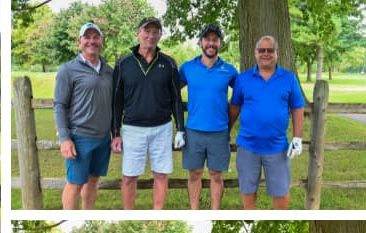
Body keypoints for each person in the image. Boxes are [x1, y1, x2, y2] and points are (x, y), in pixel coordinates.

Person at [110, 16, 185, 210]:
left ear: (160, 35)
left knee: (160, 174)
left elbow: (176, 98)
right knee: (129, 176)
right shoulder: (123, 63)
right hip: (133, 128)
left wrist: (180, 129)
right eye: (146, 31)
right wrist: (115, 134)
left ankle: (157, 212)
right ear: (138, 33)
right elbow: (116, 101)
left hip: (162, 128)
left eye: (155, 32)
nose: (150, 36)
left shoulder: (168, 63)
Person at [230, 35, 306, 210]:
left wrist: (297, 138)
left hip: (278, 147)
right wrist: (226, 132)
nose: (266, 53)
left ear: (277, 53)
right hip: (248, 146)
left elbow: (297, 108)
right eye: (261, 50)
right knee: (248, 189)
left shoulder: (289, 78)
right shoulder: (243, 79)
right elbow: (234, 107)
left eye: (270, 50)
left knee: (280, 191)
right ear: (255, 53)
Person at [53, 22, 114, 210]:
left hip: (103, 138)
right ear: (80, 41)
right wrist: (65, 139)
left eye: (96, 37)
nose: (91, 41)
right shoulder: (68, 70)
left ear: (101, 41)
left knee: (93, 180)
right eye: (87, 37)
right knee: (75, 183)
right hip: (80, 137)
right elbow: (60, 105)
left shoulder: (109, 71)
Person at [178, 24, 238, 210]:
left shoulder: (229, 70)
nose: (211, 43)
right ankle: (194, 209)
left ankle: (214, 211)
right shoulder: (187, 68)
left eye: (215, 40)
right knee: (194, 173)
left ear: (220, 43)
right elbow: (171, 93)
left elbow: (242, 96)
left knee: (216, 175)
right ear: (201, 42)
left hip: (219, 132)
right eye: (207, 39)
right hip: (193, 130)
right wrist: (178, 126)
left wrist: (229, 124)